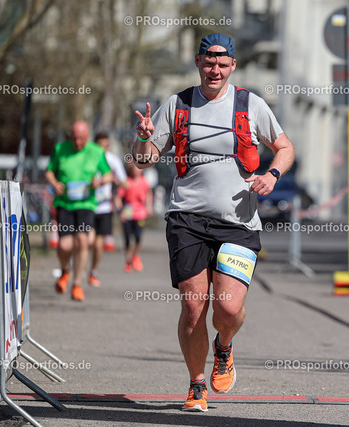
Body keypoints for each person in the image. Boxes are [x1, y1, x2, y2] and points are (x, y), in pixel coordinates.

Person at [131, 33, 295, 412]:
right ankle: (196, 385)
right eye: (208, 62)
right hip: (186, 219)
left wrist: (272, 174)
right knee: (193, 309)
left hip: (238, 223)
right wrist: (142, 139)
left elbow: (285, 148)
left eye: (222, 63)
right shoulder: (178, 104)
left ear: (233, 66)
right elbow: (143, 160)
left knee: (228, 309)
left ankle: (224, 346)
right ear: (198, 62)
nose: (215, 70)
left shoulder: (250, 105)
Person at [45, 121, 113, 301]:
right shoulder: (60, 149)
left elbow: (108, 175)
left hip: (86, 204)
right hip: (65, 203)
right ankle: (65, 271)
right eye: (74, 138)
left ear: (88, 136)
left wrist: (99, 181)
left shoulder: (96, 151)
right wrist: (55, 184)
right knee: (64, 245)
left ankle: (77, 284)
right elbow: (49, 171)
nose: (77, 142)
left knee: (83, 240)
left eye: (81, 139)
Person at [89, 131, 127, 287]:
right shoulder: (88, 158)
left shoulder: (113, 160)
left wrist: (113, 179)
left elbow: (125, 182)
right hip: (88, 205)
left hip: (105, 207)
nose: (103, 149)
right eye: (100, 146)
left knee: (98, 245)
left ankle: (93, 271)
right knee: (87, 240)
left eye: (105, 146)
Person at [115, 162, 152, 272]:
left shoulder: (144, 181)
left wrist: (149, 206)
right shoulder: (126, 182)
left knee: (138, 237)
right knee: (127, 238)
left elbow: (149, 194)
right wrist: (121, 212)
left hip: (140, 214)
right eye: (133, 168)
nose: (136, 171)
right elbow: (118, 198)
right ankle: (128, 261)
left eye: (138, 168)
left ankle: (135, 255)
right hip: (128, 213)